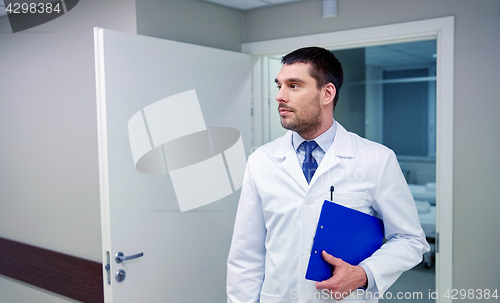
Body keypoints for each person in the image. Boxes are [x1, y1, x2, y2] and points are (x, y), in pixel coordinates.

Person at [227, 47, 429, 303]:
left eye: (294, 86)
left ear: (327, 93)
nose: (279, 96)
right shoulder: (261, 161)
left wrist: (364, 273)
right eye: (279, 86)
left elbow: (410, 240)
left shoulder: (376, 159)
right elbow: (246, 255)